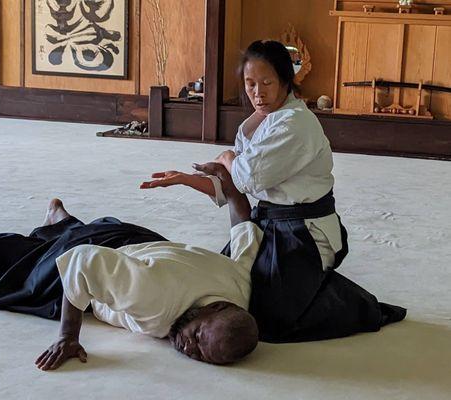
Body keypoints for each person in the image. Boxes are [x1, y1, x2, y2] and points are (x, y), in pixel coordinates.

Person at [141, 40, 406, 342]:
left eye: (266, 82)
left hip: (302, 232)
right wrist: (185, 179)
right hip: (269, 224)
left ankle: (359, 305)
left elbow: (247, 177)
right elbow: (233, 184)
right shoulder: (257, 124)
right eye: (250, 83)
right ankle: (305, 286)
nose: (257, 92)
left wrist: (227, 157)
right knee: (228, 287)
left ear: (285, 80)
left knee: (268, 320)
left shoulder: (296, 123)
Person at [0, 179, 261, 370]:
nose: (190, 348)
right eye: (197, 336)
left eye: (203, 355)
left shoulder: (239, 287)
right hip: (105, 250)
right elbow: (80, 261)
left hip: (135, 240)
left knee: (77, 250)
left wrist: (232, 191)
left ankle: (58, 217)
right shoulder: (152, 296)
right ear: (215, 308)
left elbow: (245, 233)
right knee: (18, 279)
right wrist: (68, 336)